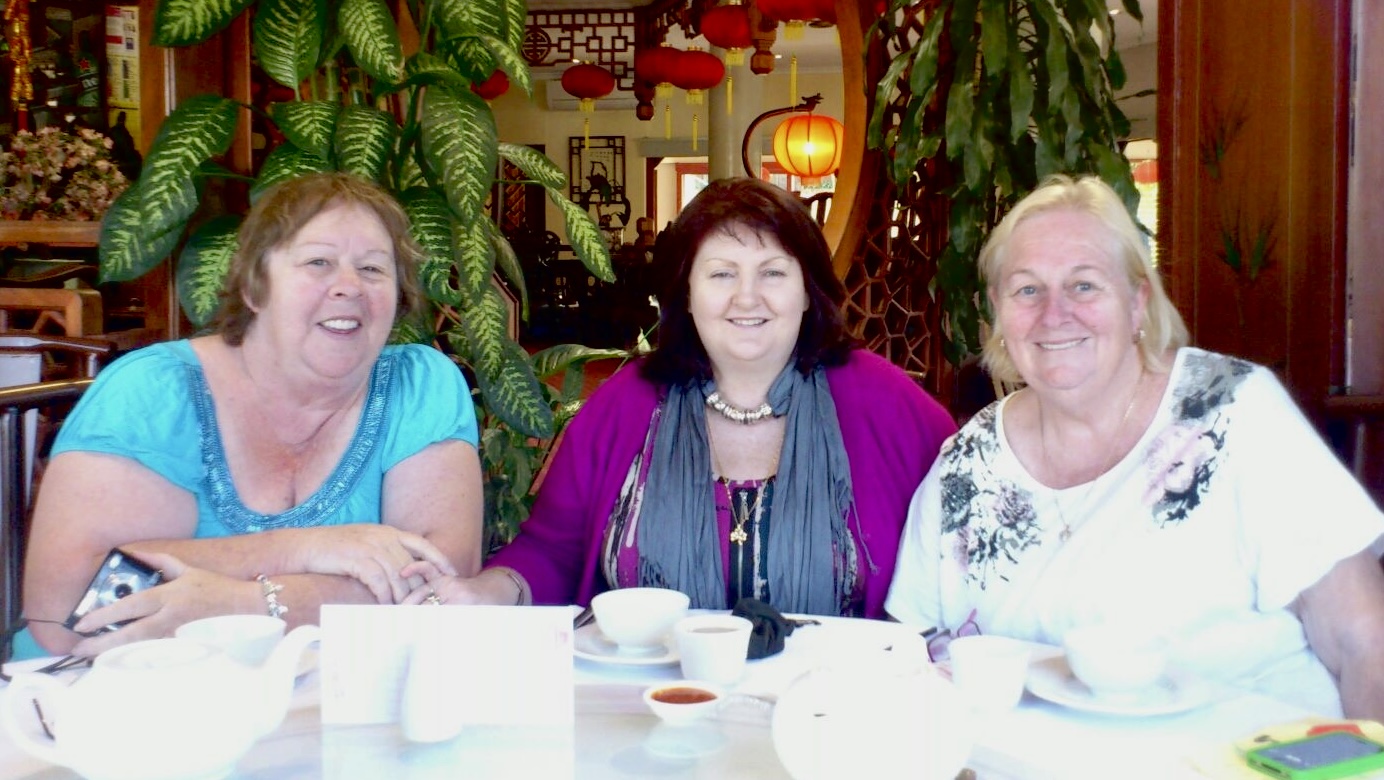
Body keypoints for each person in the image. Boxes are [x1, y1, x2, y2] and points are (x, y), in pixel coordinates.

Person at [886, 174, 1384, 718]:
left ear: (1137, 302)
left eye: (1085, 285)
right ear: (999, 315)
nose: (1055, 313)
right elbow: (908, 652)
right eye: (1027, 289)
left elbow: (1364, 643)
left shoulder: (1230, 412)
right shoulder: (967, 464)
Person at [400, 177, 957, 618]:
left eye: (773, 272)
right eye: (720, 274)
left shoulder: (885, 404)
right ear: (686, 294)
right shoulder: (628, 403)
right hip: (654, 709)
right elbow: (551, 551)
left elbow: (960, 546)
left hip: (828, 722)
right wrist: (486, 594)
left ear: (808, 293)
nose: (747, 297)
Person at [20, 172, 483, 659]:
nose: (349, 286)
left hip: (329, 696)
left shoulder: (418, 386)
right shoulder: (155, 393)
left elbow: (439, 585)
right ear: (255, 288)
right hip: (102, 697)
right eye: (318, 262)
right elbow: (72, 610)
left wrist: (240, 603)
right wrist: (305, 549)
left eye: (372, 269)